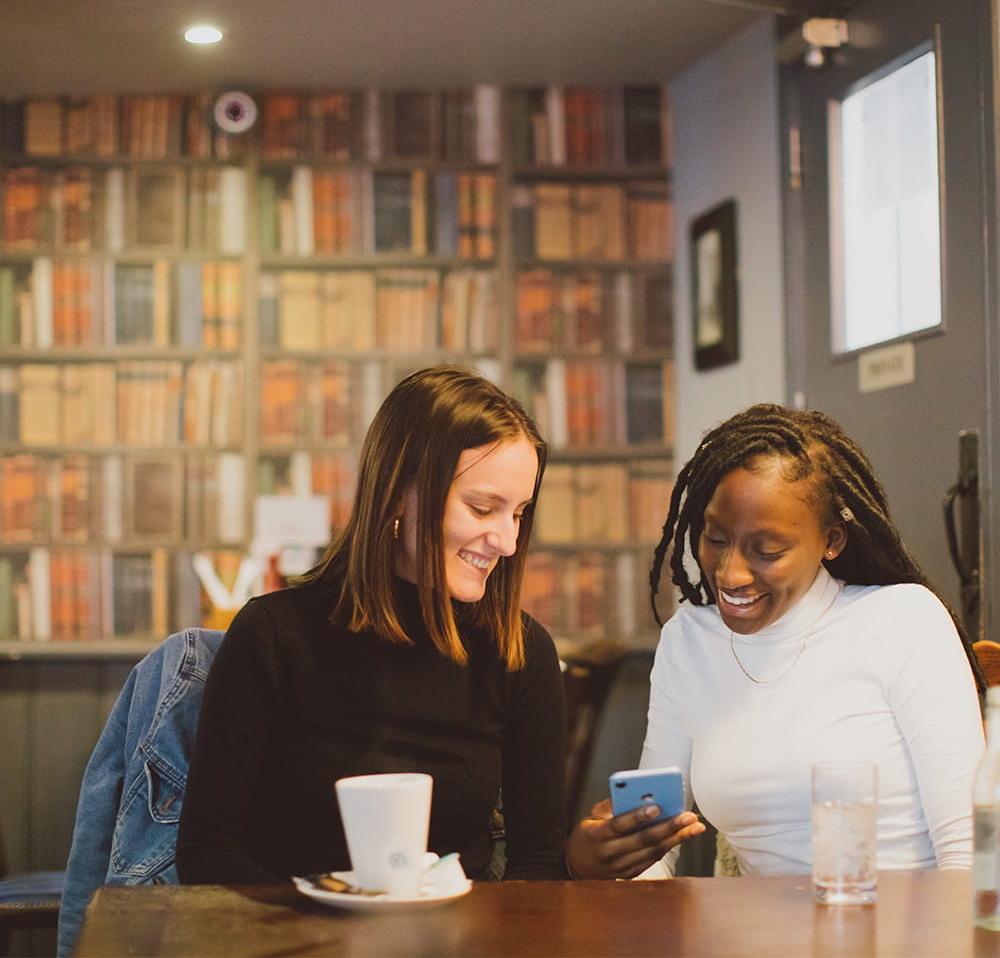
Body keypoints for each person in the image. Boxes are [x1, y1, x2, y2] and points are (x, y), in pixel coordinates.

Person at [176, 364, 567, 884]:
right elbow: (208, 853)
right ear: (398, 494)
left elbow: (537, 863)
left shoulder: (521, 651)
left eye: (518, 513)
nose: (508, 541)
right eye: (481, 508)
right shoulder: (274, 636)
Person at [566, 402, 985, 880]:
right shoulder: (689, 641)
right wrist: (608, 861)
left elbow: (967, 851)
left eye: (767, 550)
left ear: (832, 541)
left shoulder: (903, 620)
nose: (730, 574)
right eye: (716, 539)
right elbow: (658, 850)